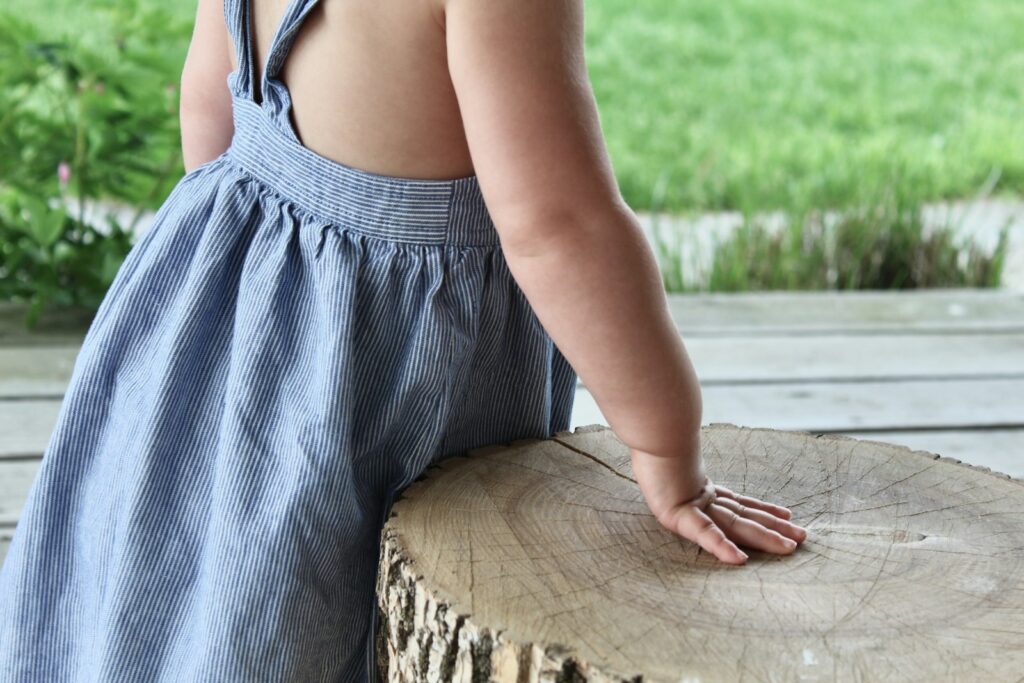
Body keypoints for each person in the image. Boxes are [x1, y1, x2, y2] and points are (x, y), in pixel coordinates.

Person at [0, 0, 807, 680]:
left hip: (202, 308)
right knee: (310, 607)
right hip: (371, 383)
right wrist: (667, 448)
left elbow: (208, 112)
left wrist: (245, 303)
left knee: (180, 571)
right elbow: (559, 226)